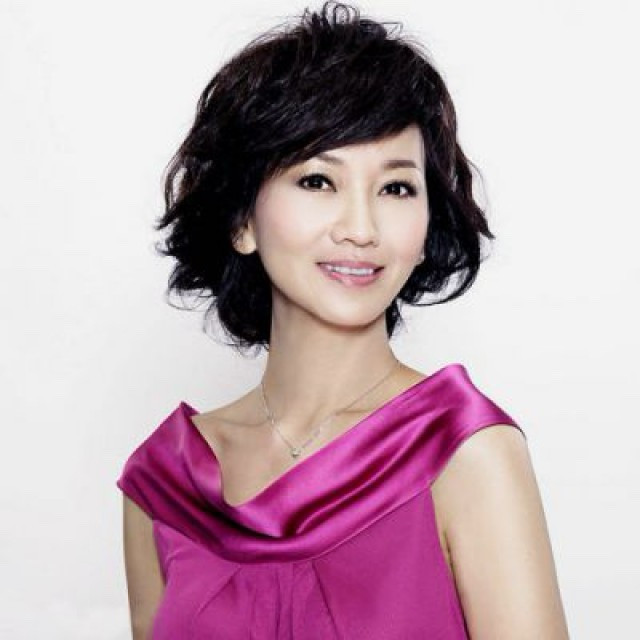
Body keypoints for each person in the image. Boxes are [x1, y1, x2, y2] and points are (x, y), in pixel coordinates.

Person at [116, 2, 570, 638]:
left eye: (396, 188)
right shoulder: (166, 486)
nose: (361, 229)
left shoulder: (465, 452)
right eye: (318, 181)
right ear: (242, 220)